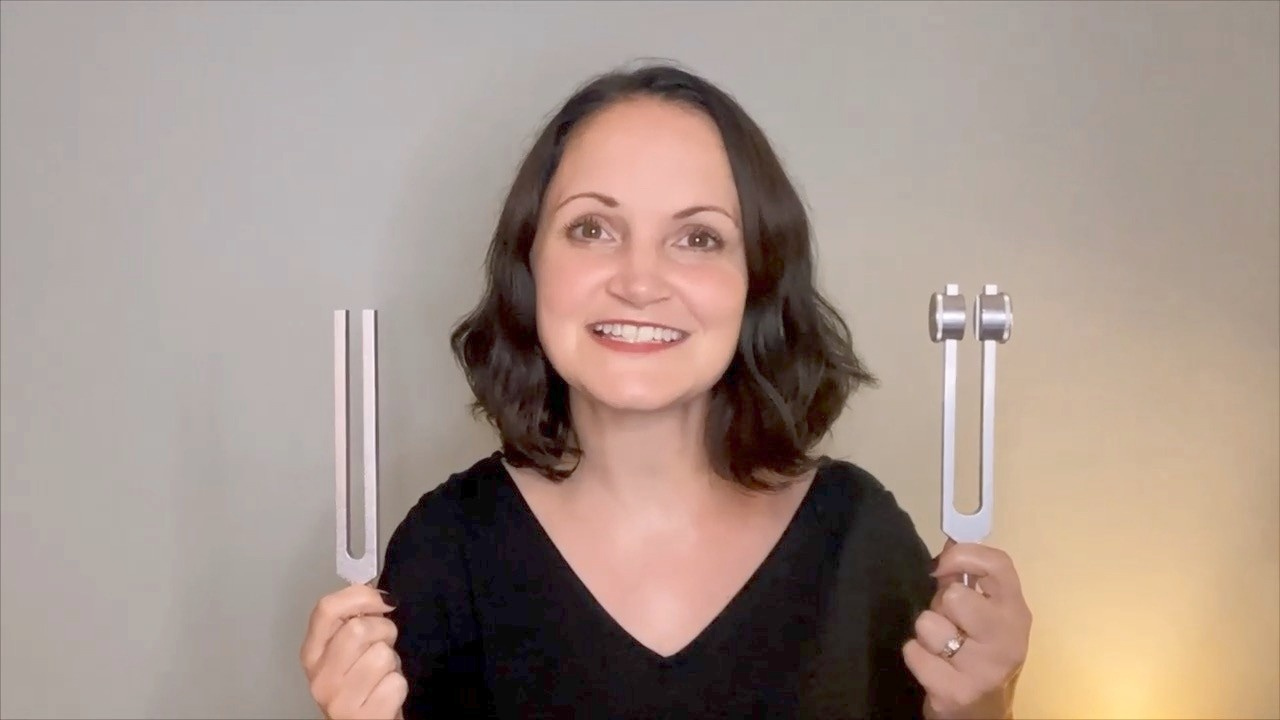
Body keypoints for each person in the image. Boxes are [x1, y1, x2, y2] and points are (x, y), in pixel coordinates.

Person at [299, 62, 1032, 720]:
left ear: (756, 282)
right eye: (592, 228)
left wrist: (980, 710)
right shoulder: (445, 550)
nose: (640, 281)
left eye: (698, 238)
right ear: (531, 262)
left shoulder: (859, 541)